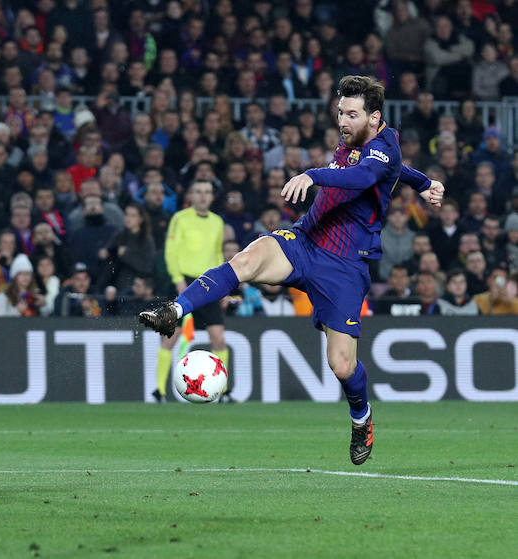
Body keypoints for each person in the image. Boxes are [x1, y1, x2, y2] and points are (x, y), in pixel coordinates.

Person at [140, 76, 446, 465]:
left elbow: (367, 175)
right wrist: (423, 183)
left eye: (352, 114)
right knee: (246, 260)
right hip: (305, 241)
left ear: (375, 117)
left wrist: (313, 174)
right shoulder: (357, 137)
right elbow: (393, 170)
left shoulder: (383, 146)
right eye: (340, 112)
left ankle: (361, 417)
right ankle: (174, 312)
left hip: (345, 266)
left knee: (342, 365)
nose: (343, 121)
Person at [152, 181, 227, 403]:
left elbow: (217, 255)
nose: (203, 196)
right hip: (183, 282)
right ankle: (159, 391)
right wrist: (177, 280)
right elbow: (171, 251)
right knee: (171, 337)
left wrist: (223, 286)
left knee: (219, 338)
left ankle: (223, 391)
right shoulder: (180, 218)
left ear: (212, 197)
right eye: (198, 192)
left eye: (206, 192)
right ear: (191, 195)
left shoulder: (217, 222)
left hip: (208, 283)